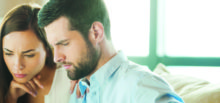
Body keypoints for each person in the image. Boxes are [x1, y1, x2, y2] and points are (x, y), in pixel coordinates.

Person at [38, 0, 184, 102]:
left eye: (64, 43)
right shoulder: (77, 89)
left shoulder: (141, 87)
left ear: (96, 33)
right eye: (53, 47)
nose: (57, 57)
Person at [0, 4, 71, 103]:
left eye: (29, 55)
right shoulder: (8, 89)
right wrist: (10, 99)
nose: (18, 65)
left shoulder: (72, 82)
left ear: (48, 50)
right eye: (9, 53)